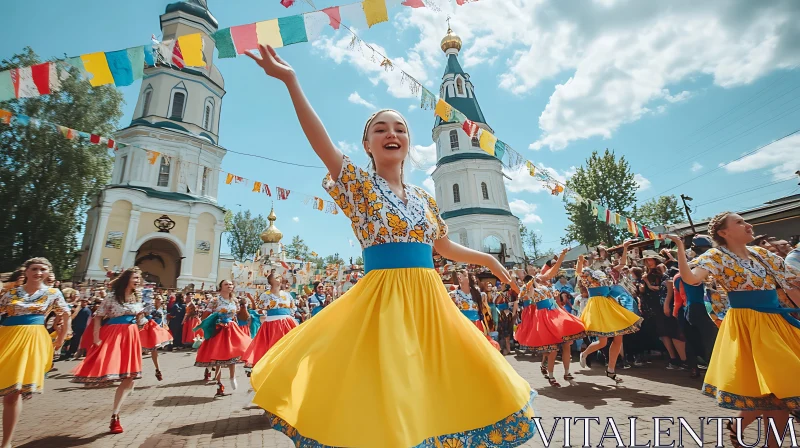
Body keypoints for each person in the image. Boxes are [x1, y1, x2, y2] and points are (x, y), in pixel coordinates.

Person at [246, 44, 535, 447]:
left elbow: (444, 248)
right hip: (382, 303)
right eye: (380, 129)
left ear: (408, 142)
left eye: (399, 128)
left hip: (430, 302)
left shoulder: (424, 198)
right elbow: (321, 142)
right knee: (391, 391)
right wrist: (292, 81)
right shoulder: (359, 186)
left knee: (448, 379)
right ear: (368, 145)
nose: (391, 133)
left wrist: (486, 256)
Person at [667, 212, 800, 448]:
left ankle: (756, 435)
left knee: (779, 394)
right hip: (749, 326)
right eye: (739, 222)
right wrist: (679, 247)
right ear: (723, 232)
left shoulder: (761, 254)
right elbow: (691, 278)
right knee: (778, 388)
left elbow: (792, 283)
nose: (748, 225)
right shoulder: (716, 256)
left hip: (777, 323)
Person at [0, 258, 70, 448]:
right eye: (34, 269)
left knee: (13, 392)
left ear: (48, 273)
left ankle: (6, 443)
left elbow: (65, 314)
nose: (38, 272)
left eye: (43, 269)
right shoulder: (10, 292)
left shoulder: (53, 293)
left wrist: (61, 339)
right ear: (27, 271)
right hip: (6, 338)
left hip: (32, 342)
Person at [71, 267, 145, 434]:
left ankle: (115, 415)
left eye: (139, 278)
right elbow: (98, 316)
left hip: (131, 335)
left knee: (130, 376)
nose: (138, 280)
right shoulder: (112, 297)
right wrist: (96, 337)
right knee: (113, 369)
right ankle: (116, 412)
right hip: (114, 334)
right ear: (126, 279)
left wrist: (142, 320)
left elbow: (140, 319)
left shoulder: (137, 297)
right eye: (135, 277)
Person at [576, 240, 643, 384]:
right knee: (603, 342)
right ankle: (585, 353)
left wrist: (625, 248)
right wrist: (580, 261)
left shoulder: (607, 272)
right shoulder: (587, 273)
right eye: (596, 256)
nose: (601, 259)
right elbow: (578, 272)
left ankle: (611, 370)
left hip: (610, 303)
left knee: (619, 337)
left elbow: (622, 263)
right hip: (597, 306)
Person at [194, 280, 251, 397]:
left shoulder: (235, 300)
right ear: (220, 287)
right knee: (218, 355)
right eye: (226, 284)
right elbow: (205, 315)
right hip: (219, 329)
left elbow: (240, 316)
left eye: (230, 284)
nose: (229, 286)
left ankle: (232, 377)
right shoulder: (215, 300)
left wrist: (244, 308)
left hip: (231, 328)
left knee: (233, 352)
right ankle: (219, 383)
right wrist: (212, 323)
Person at [244, 272, 298, 376]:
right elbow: (260, 309)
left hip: (286, 322)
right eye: (275, 277)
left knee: (288, 346)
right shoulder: (265, 295)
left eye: (279, 276)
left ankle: (286, 369)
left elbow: (293, 308)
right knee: (272, 347)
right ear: (270, 281)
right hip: (272, 323)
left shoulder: (287, 295)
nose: (278, 278)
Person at [139, 294, 172, 381]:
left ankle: (157, 369)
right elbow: (142, 315)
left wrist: (164, 328)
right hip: (148, 330)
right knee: (141, 349)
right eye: (156, 299)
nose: (157, 300)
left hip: (157, 331)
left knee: (154, 350)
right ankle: (135, 369)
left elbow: (163, 320)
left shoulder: (163, 310)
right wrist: (147, 317)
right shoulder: (150, 308)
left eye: (159, 299)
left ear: (162, 301)